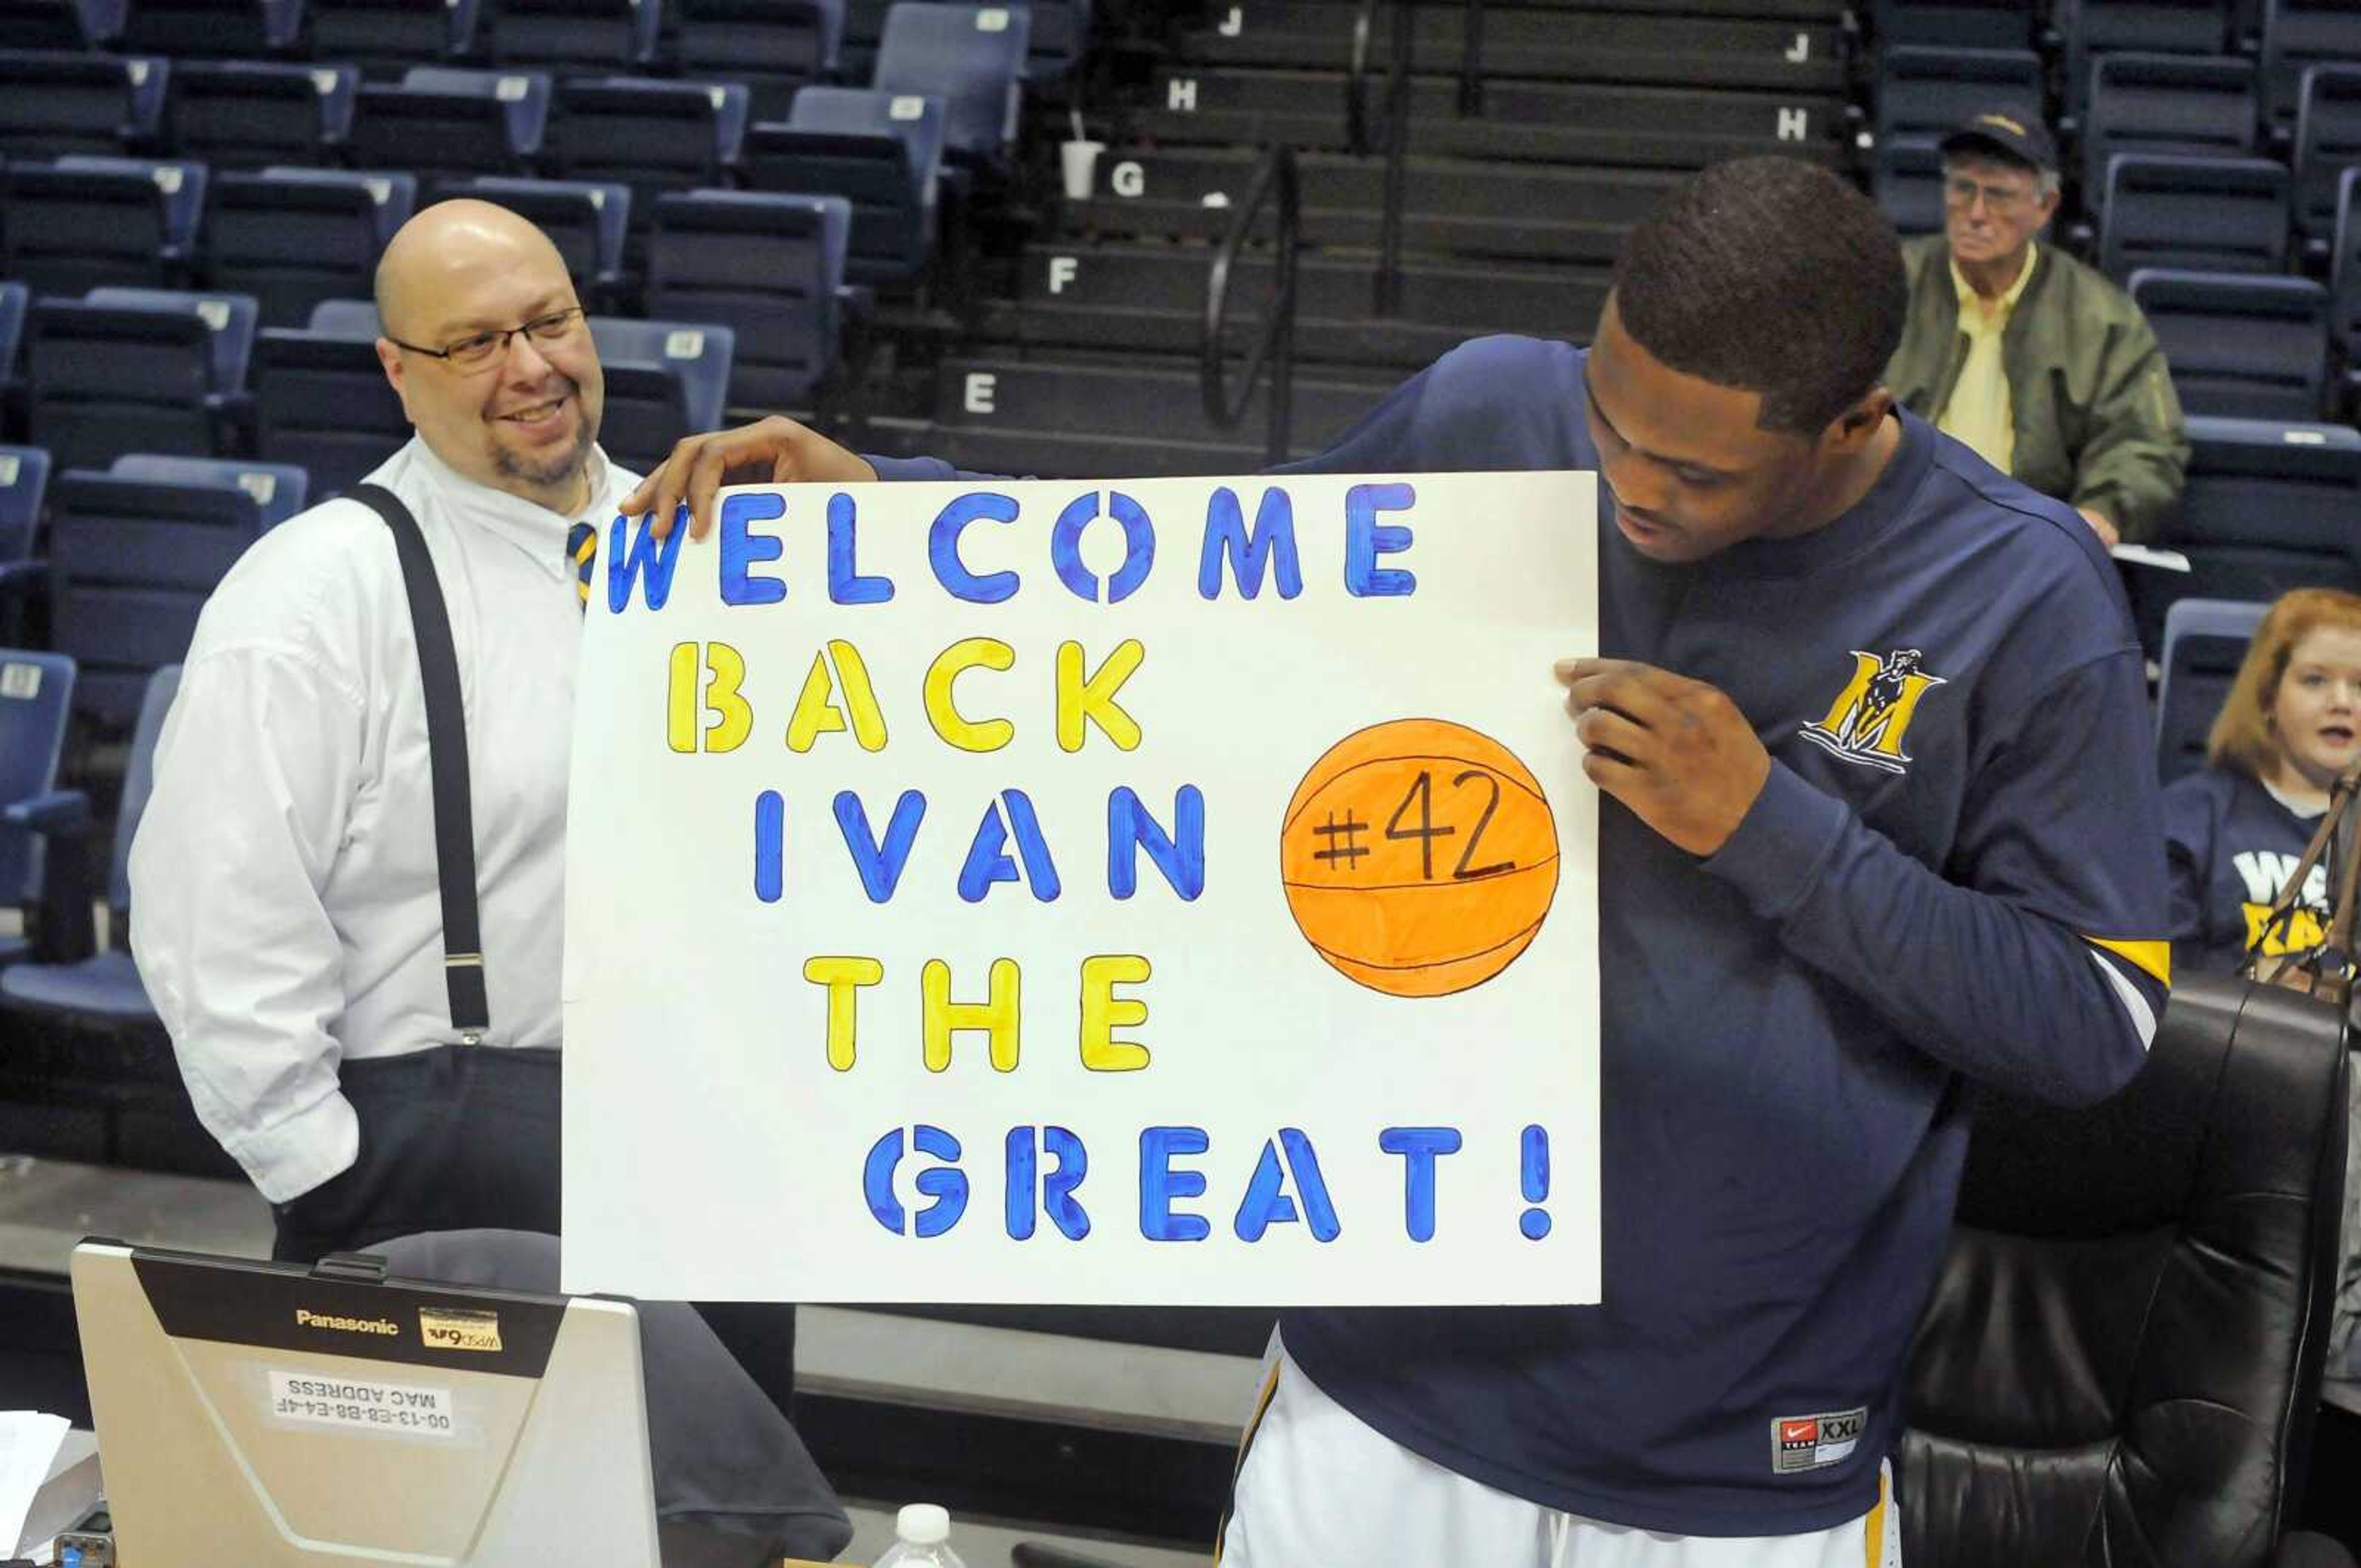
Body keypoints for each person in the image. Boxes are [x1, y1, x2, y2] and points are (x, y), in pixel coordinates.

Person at [624, 156, 2172, 1562]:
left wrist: (1773, 830)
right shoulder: (1491, 407)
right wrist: (885, 518)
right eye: (1609, 426)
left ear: (1852, 419)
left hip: (1738, 1443)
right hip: (1384, 1373)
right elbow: (1201, 606)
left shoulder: (2021, 597)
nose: (1631, 487)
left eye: (1693, 475)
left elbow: (2093, 1020)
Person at [1883, 108, 2188, 548]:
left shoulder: (2099, 316)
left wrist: (2103, 511)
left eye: (1999, 196)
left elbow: (2145, 442)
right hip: (1896, 530)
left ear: (2044, 208)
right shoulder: (1889, 285)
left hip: (2027, 546)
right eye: (1962, 188)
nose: (1976, 213)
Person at [2161, 589, 2361, 976]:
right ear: (2268, 698)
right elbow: (2160, 979)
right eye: (2315, 680)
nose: (2342, 702)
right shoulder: (2190, 818)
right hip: (2218, 1030)